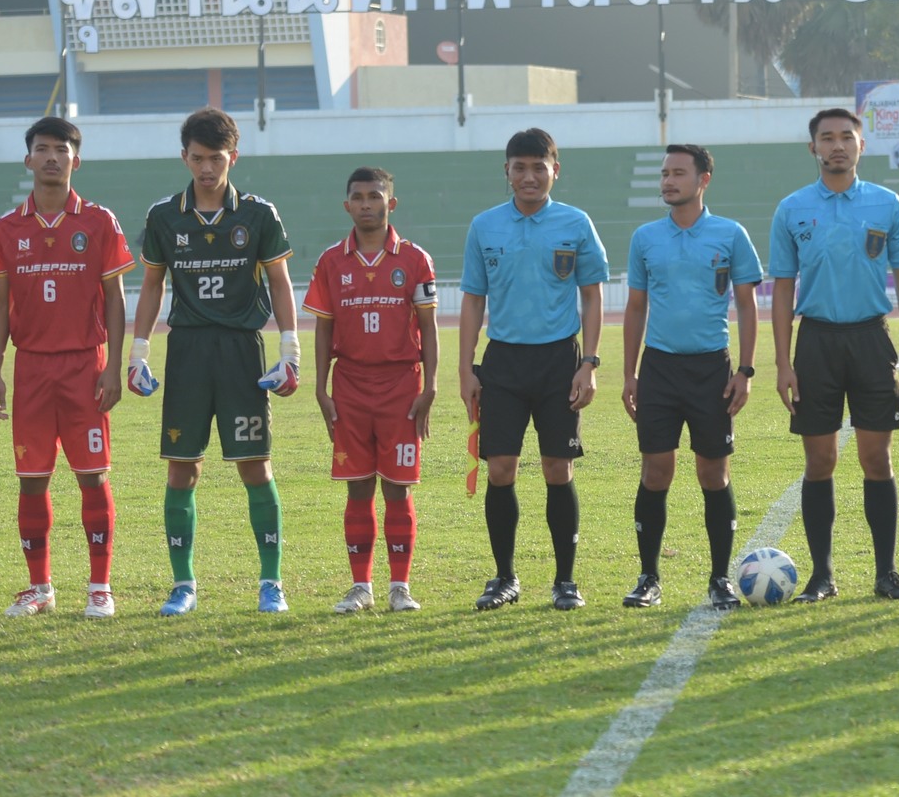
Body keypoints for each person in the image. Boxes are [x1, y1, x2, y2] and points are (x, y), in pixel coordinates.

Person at [127, 107, 299, 616]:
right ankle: (183, 585)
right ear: (185, 156)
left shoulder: (259, 214)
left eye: (216, 159)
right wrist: (138, 354)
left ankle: (271, 582)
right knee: (182, 470)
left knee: (255, 466)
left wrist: (290, 350)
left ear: (233, 157)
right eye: (198, 158)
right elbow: (152, 285)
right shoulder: (164, 215)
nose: (207, 168)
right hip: (187, 351)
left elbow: (280, 282)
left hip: (242, 350)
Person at [769, 107, 899, 603]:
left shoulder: (887, 203)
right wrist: (783, 362)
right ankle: (822, 576)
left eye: (846, 137)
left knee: (876, 457)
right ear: (812, 147)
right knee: (820, 461)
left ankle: (887, 573)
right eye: (827, 138)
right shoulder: (792, 208)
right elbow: (782, 288)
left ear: (861, 145)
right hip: (815, 342)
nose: (837, 145)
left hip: (870, 340)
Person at [0, 117, 136, 619]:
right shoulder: (6, 228)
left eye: (62, 149)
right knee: (32, 479)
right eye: (43, 148)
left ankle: (100, 587)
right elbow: (1, 303)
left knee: (92, 476)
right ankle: (40, 587)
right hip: (30, 369)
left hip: (84, 366)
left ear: (77, 159)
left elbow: (115, 299)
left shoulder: (99, 221)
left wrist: (113, 366)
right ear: (28, 159)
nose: (52, 157)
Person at [459, 128, 607, 610]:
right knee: (501, 469)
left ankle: (565, 581)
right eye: (519, 168)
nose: (528, 176)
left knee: (557, 468)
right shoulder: (484, 226)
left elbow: (592, 295)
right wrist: (466, 369)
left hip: (559, 361)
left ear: (554, 171)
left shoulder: (575, 223)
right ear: (506, 171)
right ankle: (504, 577)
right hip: (503, 361)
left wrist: (588, 363)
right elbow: (473, 300)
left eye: (538, 167)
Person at [621, 145, 762, 610]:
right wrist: (630, 374)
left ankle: (720, 579)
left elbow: (747, 305)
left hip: (711, 370)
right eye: (664, 173)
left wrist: (745, 370)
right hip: (659, 369)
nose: (668, 181)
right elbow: (636, 307)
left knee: (713, 473)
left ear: (703, 180)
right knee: (655, 471)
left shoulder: (731, 234)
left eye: (678, 173)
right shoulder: (645, 237)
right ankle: (648, 578)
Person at [304, 167, 439, 613]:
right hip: (350, 385)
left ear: (390, 203)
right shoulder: (331, 261)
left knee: (398, 488)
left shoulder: (414, 259)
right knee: (358, 487)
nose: (367, 204)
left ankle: (400, 587)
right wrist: (321, 388)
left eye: (375, 196)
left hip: (401, 386)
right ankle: (361, 587)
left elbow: (428, 327)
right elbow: (323, 329)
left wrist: (431, 385)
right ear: (347, 206)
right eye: (359, 197)